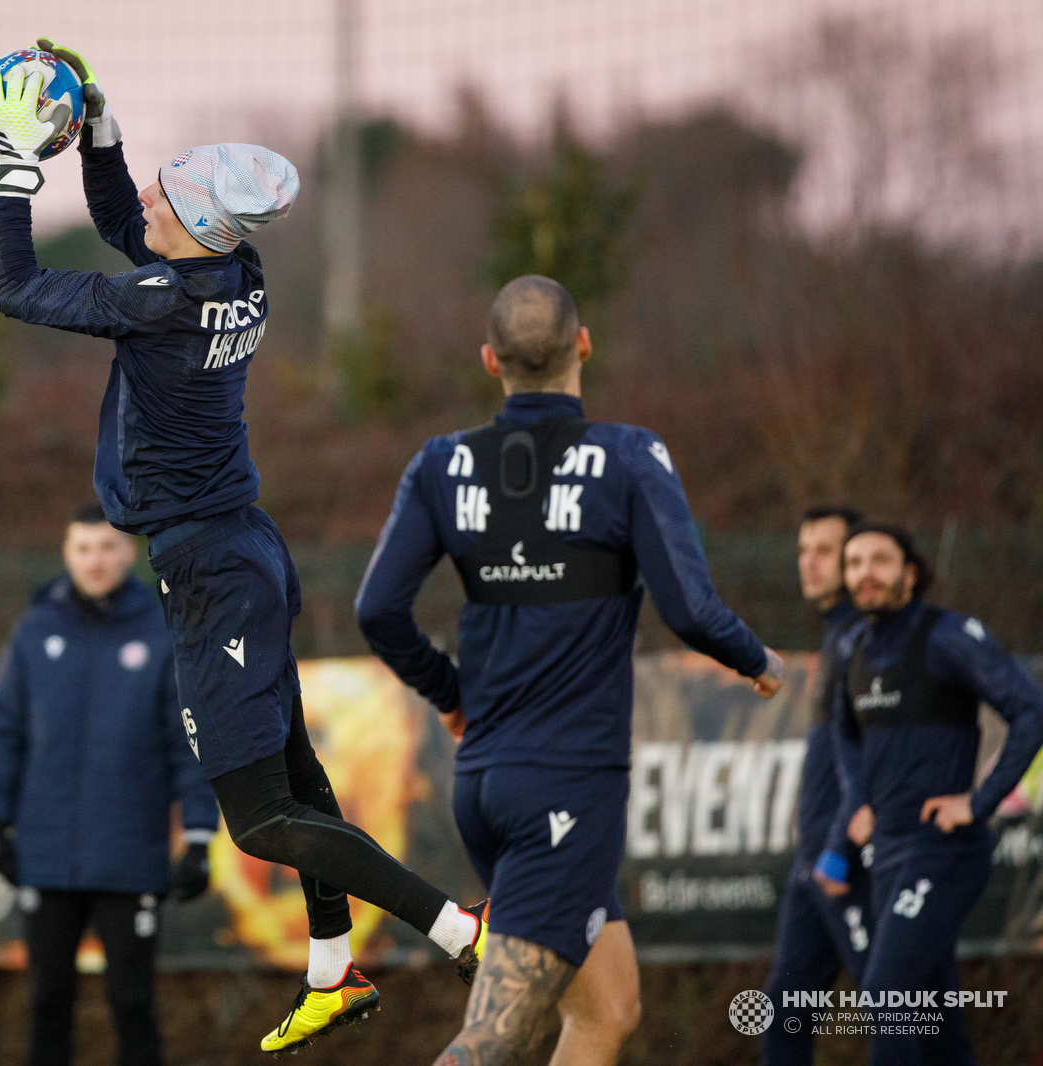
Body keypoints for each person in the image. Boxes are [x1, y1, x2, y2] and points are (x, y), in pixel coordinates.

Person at [0, 40, 488, 1055]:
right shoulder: (229, 270)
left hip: (213, 571)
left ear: (191, 224)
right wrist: (102, 124)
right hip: (243, 549)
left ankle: (454, 927)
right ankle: (332, 971)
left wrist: (17, 161)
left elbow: (11, 282)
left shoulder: (159, 303)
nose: (147, 192)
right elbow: (129, 221)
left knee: (259, 817)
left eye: (166, 187)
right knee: (294, 778)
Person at [355, 275, 784, 1066]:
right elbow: (689, 610)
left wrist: (450, 695)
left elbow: (378, 609)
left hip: (483, 784)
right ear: (584, 344)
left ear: (491, 361)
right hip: (566, 788)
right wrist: (755, 659)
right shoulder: (627, 455)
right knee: (492, 1036)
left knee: (608, 1009)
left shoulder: (442, 463)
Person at [0, 503, 220, 1066]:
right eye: (83, 548)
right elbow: (4, 732)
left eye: (107, 547)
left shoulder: (163, 628)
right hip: (45, 853)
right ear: (66, 553)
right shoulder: (36, 629)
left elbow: (188, 739)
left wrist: (202, 834)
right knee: (48, 1001)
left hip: (130, 853)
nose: (95, 560)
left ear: (128, 553)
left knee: (133, 1002)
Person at [815, 524, 1043, 1066]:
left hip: (944, 853)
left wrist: (978, 802)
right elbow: (844, 733)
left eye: (880, 561)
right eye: (854, 563)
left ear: (910, 573)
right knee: (936, 1027)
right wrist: (859, 801)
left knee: (885, 994)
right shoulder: (853, 650)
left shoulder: (948, 636)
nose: (865, 573)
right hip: (887, 856)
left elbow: (1030, 712)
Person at [762, 505, 871, 1065]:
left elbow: (874, 761)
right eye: (804, 550)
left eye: (824, 551)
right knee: (782, 1023)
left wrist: (838, 852)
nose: (810, 562)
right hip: (813, 867)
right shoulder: (837, 638)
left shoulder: (867, 641)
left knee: (905, 1020)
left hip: (847, 865)